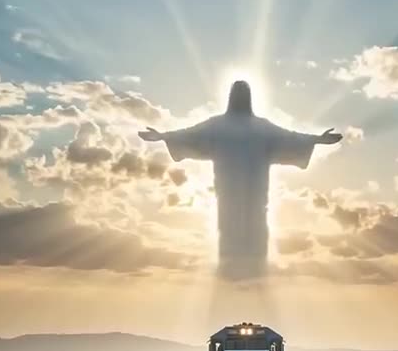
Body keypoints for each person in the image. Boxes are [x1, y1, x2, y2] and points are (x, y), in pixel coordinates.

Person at [138, 80, 342, 279]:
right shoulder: (224, 126)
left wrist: (318, 139)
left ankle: (253, 273)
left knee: (252, 226)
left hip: (253, 192)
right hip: (229, 192)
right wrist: (162, 136)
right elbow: (189, 135)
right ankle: (233, 272)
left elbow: (291, 138)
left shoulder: (252, 127)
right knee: (231, 227)